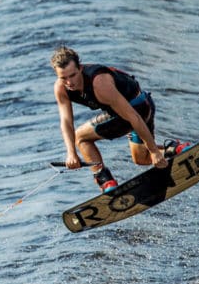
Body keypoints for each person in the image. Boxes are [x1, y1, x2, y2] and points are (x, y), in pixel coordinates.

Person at [51, 45, 187, 192]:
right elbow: (66, 122)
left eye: (73, 75)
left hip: (138, 108)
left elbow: (133, 117)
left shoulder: (99, 83)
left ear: (80, 68)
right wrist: (71, 153)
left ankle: (106, 182)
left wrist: (154, 150)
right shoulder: (61, 89)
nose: (69, 82)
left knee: (81, 137)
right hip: (137, 107)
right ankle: (174, 148)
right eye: (63, 78)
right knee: (141, 158)